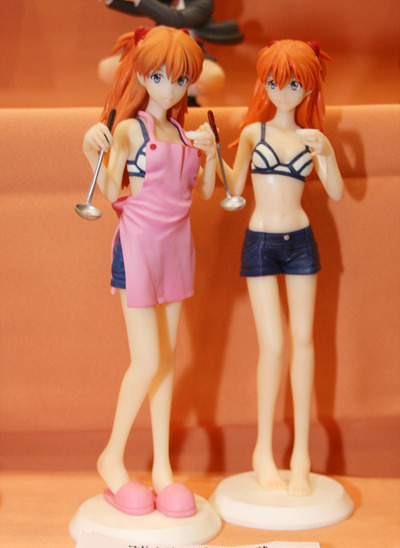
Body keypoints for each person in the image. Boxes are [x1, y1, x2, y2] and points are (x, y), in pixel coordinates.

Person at [83, 25, 216, 516]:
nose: (169, 87)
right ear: (141, 75)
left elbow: (205, 193)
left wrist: (211, 154)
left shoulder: (183, 133)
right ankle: (111, 457)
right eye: (158, 76)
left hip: (177, 250)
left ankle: (162, 466)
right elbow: (110, 189)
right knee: (146, 360)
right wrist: (91, 150)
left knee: (167, 360)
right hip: (137, 247)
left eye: (180, 79)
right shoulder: (129, 130)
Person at [220, 39, 343, 496]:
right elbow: (235, 188)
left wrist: (327, 153)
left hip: (301, 243)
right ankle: (263, 451)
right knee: (272, 345)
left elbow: (336, 192)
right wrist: (213, 154)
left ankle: (301, 456)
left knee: (304, 342)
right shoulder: (254, 133)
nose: (282, 91)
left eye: (293, 83)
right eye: (273, 82)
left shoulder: (312, 139)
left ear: (308, 88)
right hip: (260, 242)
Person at [99, 0, 244, 104]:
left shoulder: (203, 3)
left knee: (211, 76)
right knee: (107, 68)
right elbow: (138, 7)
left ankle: (173, 88)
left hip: (187, 59)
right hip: (157, 57)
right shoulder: (165, 1)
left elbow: (176, 18)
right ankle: (151, 91)